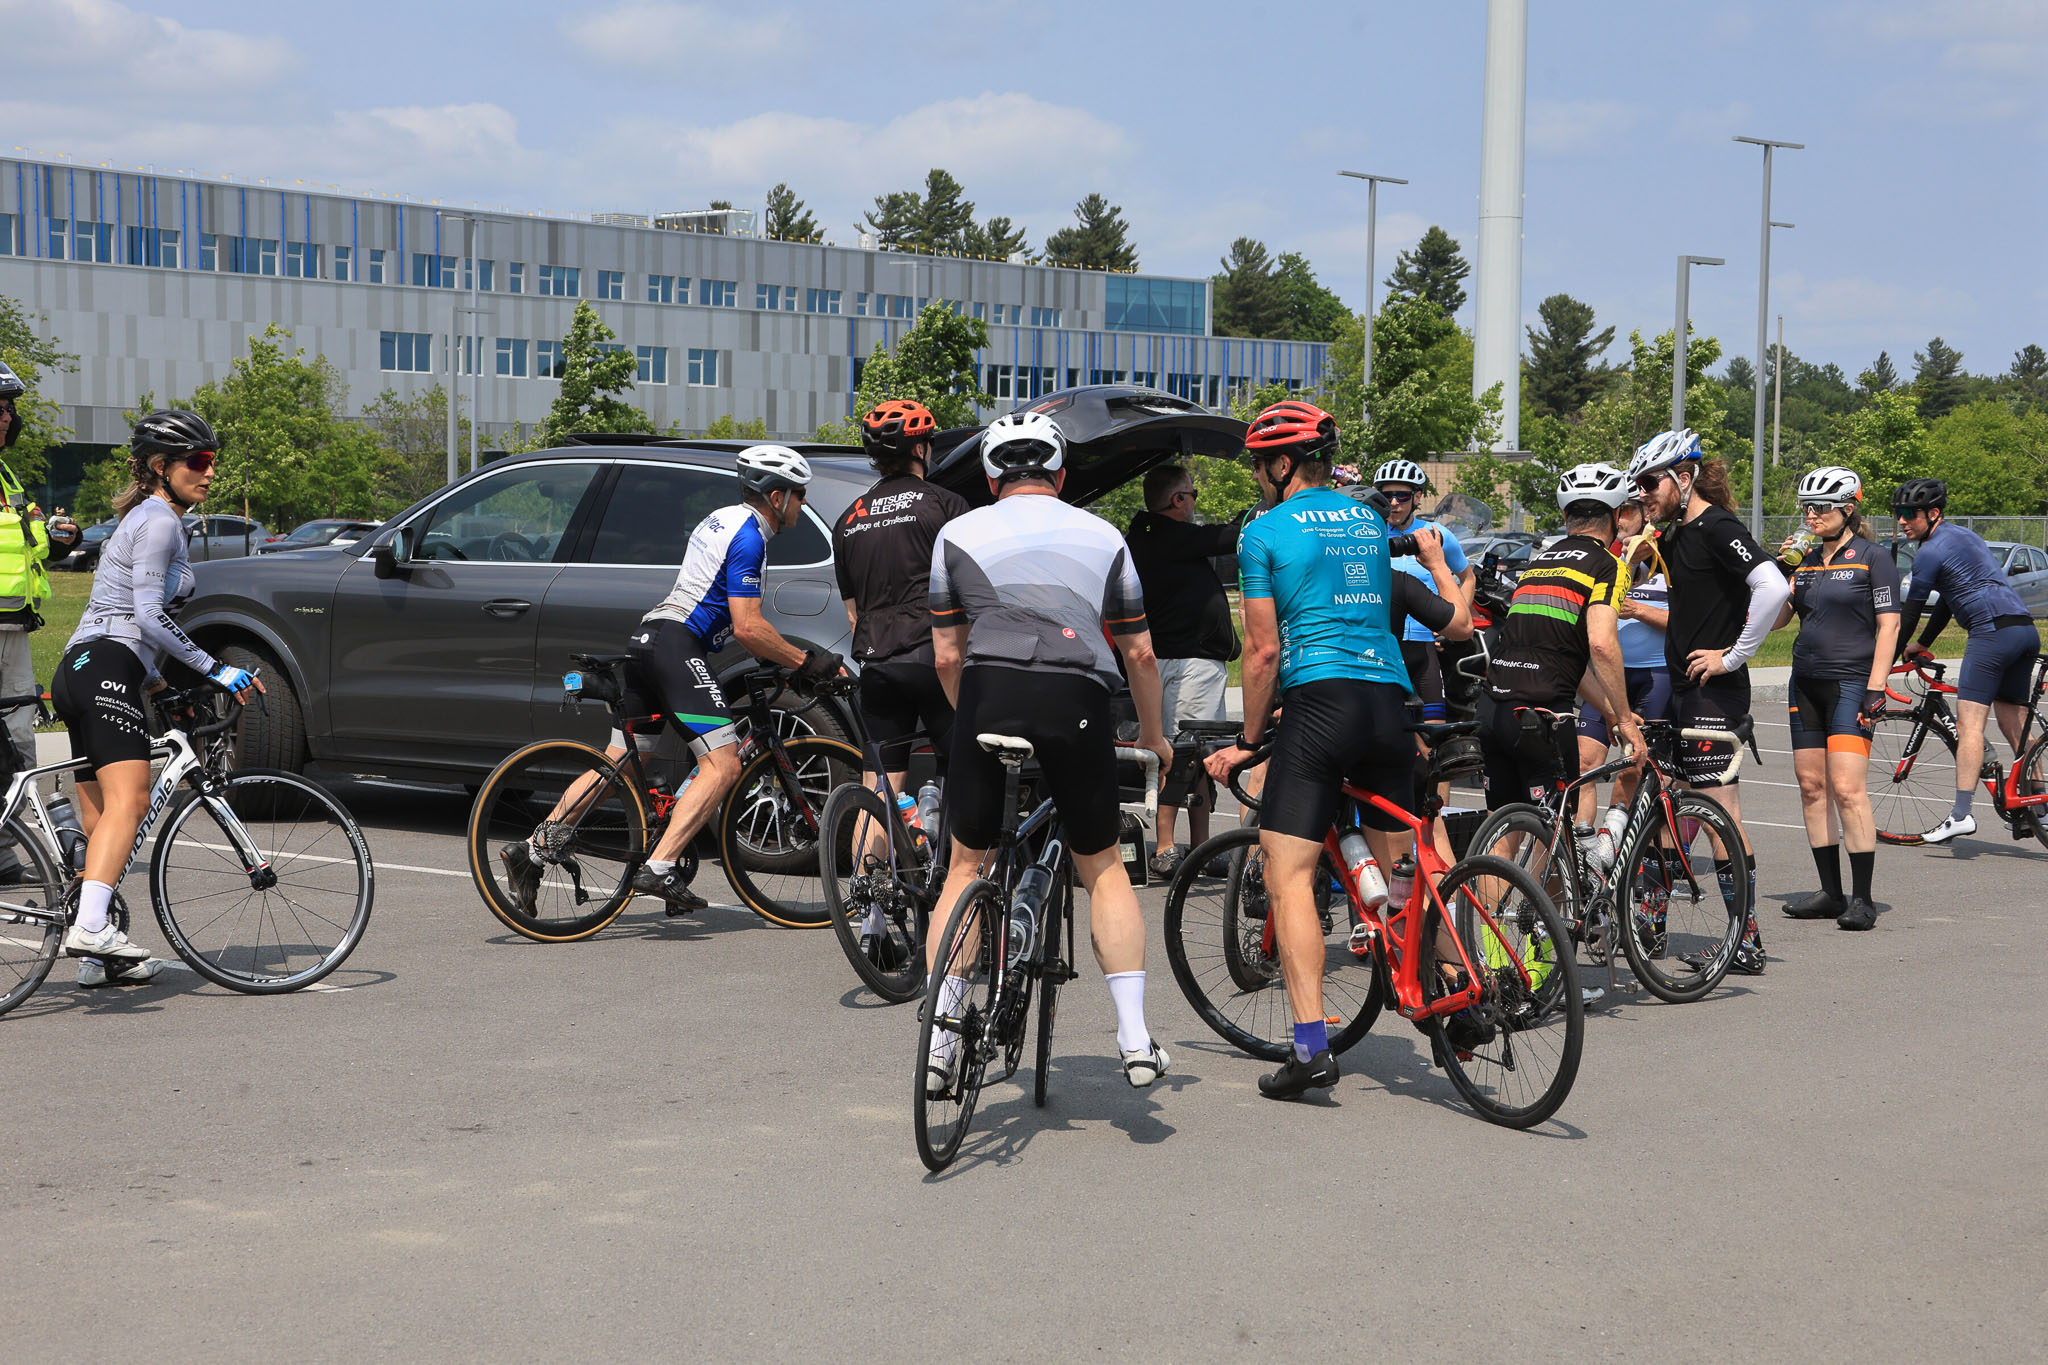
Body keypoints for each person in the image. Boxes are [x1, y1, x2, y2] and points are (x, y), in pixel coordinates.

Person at [1203, 401, 1471, 1101]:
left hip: (1320, 704)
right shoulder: (1368, 521)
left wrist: (1248, 741)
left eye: (1258, 465)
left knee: (1288, 873)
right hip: (1388, 702)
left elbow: (1262, 651)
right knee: (1408, 870)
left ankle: (1310, 1046)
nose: (1256, 477)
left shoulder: (1264, 531)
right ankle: (1459, 985)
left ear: (1280, 464)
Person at [924, 410, 1175, 1091]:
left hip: (987, 693)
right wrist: (1153, 738)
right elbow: (1140, 653)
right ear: (1061, 476)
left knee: (964, 866)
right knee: (1104, 866)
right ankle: (1134, 1037)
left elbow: (946, 655)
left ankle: (941, 1041)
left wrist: (972, 720)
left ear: (990, 478)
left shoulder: (956, 533)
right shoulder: (1104, 535)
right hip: (1077, 696)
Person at [501, 445, 841, 914]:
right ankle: (659, 867)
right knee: (724, 764)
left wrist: (775, 658)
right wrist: (805, 662)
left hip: (649, 638)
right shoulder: (751, 538)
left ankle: (533, 851)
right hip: (677, 646)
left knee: (619, 765)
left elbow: (723, 608)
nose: (803, 504)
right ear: (777, 497)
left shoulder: (719, 519)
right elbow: (748, 627)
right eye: (800, 495)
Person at [50, 410, 266, 982]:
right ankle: (90, 926)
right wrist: (217, 670)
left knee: (102, 822)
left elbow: (118, 617)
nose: (209, 472)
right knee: (133, 801)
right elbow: (146, 616)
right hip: (107, 668)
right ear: (160, 467)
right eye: (198, 461)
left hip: (82, 668)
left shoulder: (148, 519)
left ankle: (96, 954)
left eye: (212, 461)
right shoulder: (159, 521)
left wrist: (160, 684)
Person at [1629, 428, 1789, 975]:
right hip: (1680, 689)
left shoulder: (1718, 526)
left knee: (1722, 814)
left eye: (1650, 483)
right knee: (1666, 808)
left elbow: (1774, 589)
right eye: (1638, 485)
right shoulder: (1674, 534)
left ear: (1684, 477)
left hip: (1713, 693)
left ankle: (1746, 940)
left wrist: (1733, 656)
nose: (1643, 494)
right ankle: (1651, 929)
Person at [1772, 468, 1899, 931]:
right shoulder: (1804, 559)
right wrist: (1781, 575)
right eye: (1807, 507)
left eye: (1821, 508)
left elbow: (1889, 624)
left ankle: (1862, 899)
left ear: (1848, 508)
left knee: (1847, 789)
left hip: (1851, 683)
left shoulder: (1873, 557)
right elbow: (1778, 621)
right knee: (1812, 787)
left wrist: (1877, 686)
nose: (1811, 515)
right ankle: (1830, 892)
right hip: (1805, 683)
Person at [1480, 464, 1644, 813]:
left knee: (1504, 824)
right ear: (1617, 515)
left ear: (1566, 515)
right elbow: (1601, 645)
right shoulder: (1608, 565)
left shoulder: (1539, 563)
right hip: (1542, 713)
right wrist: (1626, 720)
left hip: (1493, 709)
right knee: (1559, 830)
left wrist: (1609, 713)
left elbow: (1563, 657)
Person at [1890, 478, 2042, 844]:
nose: (1902, 521)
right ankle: (2039, 807)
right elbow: (1948, 599)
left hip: (1991, 634)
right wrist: (1923, 643)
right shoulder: (1966, 537)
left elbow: (1909, 613)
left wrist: (1883, 664)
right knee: (2014, 722)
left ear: (1933, 513)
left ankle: (1960, 815)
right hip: (2024, 630)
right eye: (1898, 514)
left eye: (1910, 514)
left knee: (1970, 724)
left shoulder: (1928, 552)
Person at [1124, 462, 1242, 876]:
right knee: (1184, 753)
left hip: (1174, 660)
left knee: (1196, 754)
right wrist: (1266, 508)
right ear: (1178, 500)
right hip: (1188, 661)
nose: (1195, 503)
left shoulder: (1144, 535)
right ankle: (1168, 847)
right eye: (1193, 495)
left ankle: (1201, 849)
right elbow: (1230, 536)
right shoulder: (1168, 534)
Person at [0, 361, 82, 770]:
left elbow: (24, 542)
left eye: (8, 410)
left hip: (14, 622)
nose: (6, 418)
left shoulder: (6, 477)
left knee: (19, 725)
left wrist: (63, 538)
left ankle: (18, 806)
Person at [1574, 494, 1671, 826]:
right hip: (1607, 674)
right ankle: (1582, 844)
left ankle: (1614, 839)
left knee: (1635, 765)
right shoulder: (1605, 554)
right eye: (1618, 510)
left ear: (1646, 514)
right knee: (1584, 763)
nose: (1621, 518)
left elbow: (1690, 625)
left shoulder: (1668, 553)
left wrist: (1639, 610)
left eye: (1628, 510)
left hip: (1656, 673)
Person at [1372, 459, 1475, 726]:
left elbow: (1468, 578)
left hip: (1424, 645)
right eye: (1387, 495)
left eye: (1402, 495)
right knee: (1384, 726)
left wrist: (1453, 621)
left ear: (1417, 497)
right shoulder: (1368, 534)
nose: (1394, 502)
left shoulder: (1436, 535)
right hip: (1382, 644)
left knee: (1434, 727)